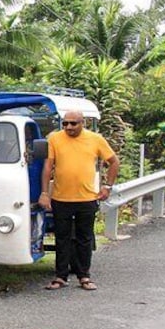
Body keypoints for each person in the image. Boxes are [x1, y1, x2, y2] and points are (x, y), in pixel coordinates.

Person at [39, 111, 119, 291]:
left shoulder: (95, 139)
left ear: (82, 123)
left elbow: (114, 162)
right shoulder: (55, 139)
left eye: (73, 124)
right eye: (65, 123)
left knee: (84, 238)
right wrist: (44, 192)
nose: (68, 127)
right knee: (62, 238)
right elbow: (48, 166)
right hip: (61, 198)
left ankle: (84, 276)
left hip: (87, 198)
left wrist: (107, 186)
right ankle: (60, 276)